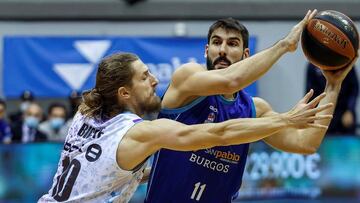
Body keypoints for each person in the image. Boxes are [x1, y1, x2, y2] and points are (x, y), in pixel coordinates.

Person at [38, 52, 331, 202]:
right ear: (123, 93)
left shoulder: (86, 113)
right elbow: (219, 133)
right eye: (144, 77)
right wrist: (284, 119)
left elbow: (103, 167)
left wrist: (144, 172)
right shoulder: (140, 132)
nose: (154, 80)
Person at [145, 10, 358, 202]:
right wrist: (285, 45)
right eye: (217, 42)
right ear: (206, 50)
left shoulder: (255, 109)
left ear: (246, 55)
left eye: (232, 44)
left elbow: (306, 144)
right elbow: (232, 80)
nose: (222, 50)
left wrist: (332, 86)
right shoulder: (187, 79)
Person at [306, 62, 359, 134]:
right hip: (322, 112)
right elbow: (310, 93)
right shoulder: (312, 65)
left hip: (343, 112)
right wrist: (311, 113)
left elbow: (354, 88)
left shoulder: (346, 61)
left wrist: (350, 110)